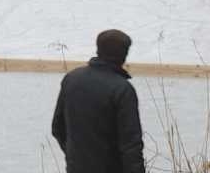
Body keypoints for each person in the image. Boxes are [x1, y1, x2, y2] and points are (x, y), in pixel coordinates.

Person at [52, 29, 147, 173]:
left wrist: (75, 158)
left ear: (98, 49)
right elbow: (131, 147)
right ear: (124, 54)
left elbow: (58, 128)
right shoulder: (122, 89)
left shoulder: (72, 79)